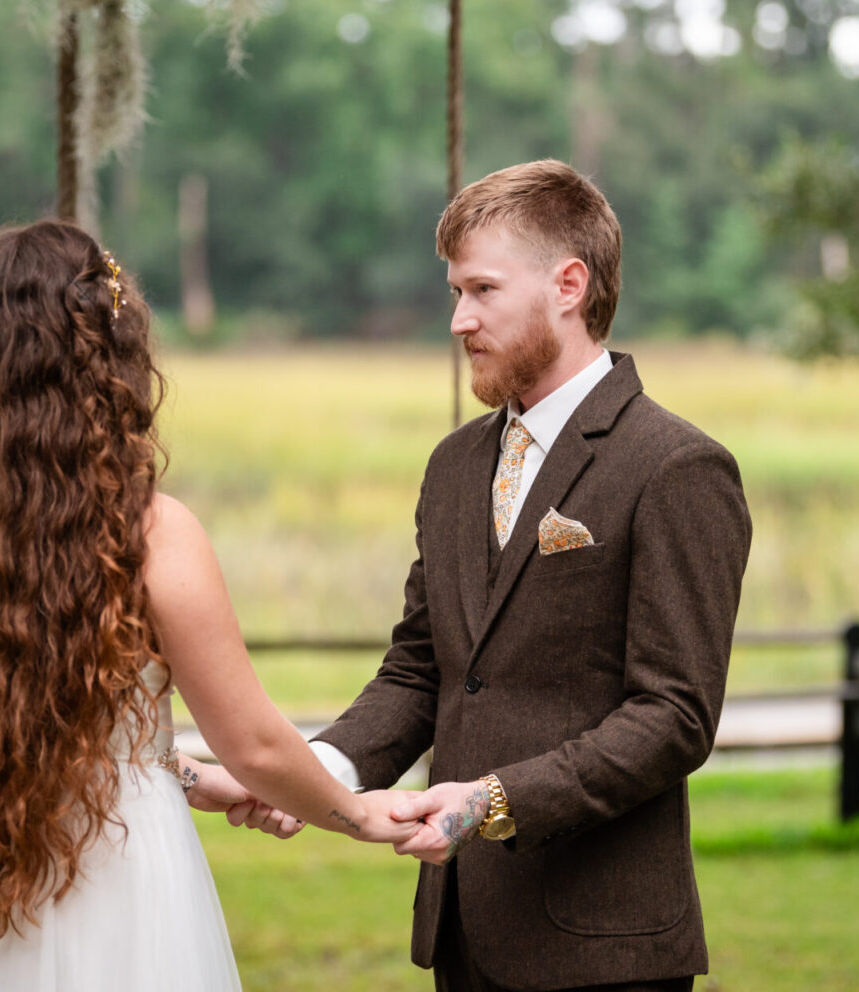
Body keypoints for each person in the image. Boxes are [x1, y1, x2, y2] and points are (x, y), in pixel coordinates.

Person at [0, 219, 417, 991]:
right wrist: (356, 815)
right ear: (106, 356)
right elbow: (252, 742)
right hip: (114, 887)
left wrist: (185, 774)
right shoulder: (147, 532)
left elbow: (37, 720)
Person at [306, 160, 753, 991]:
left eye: (481, 290)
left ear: (568, 285)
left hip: (603, 948)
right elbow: (420, 668)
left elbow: (674, 715)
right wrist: (318, 774)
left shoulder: (677, 467)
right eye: (453, 293)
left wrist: (493, 801)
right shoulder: (453, 465)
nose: (458, 320)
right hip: (463, 934)